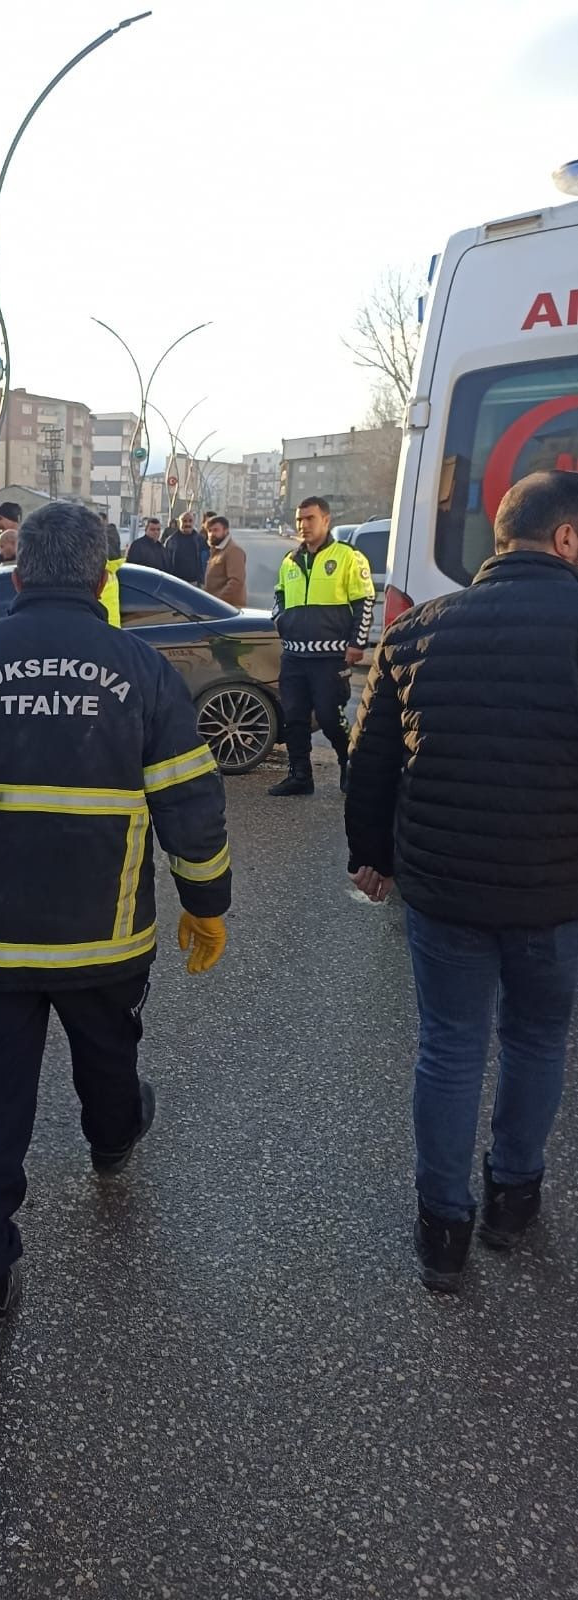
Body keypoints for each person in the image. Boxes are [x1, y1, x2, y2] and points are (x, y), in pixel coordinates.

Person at [0, 501, 231, 1355]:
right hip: (103, 935)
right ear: (104, 577)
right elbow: (191, 800)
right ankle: (111, 1141)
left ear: (20, 574)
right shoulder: (141, 669)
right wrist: (205, 904)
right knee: (108, 1056)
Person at [346, 470, 578, 1293]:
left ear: (497, 538)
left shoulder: (419, 631)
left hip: (441, 888)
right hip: (557, 893)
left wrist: (367, 855)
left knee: (448, 1050)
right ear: (564, 539)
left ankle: (441, 1228)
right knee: (535, 1040)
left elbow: (368, 759)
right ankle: (513, 1198)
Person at [268, 496, 374, 797]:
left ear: (326, 520)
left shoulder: (348, 557)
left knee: (329, 717)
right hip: (294, 655)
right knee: (294, 718)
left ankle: (347, 763)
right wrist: (281, 618)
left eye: (310, 518)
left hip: (330, 656)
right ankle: (300, 776)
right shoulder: (290, 560)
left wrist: (357, 643)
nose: (303, 525)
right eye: (299, 519)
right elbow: (279, 595)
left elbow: (364, 601)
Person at [203, 516, 247, 608]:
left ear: (226, 530)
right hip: (218, 607)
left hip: (228, 609)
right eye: (209, 531)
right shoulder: (216, 549)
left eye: (215, 530)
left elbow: (236, 581)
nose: (211, 534)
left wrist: (217, 602)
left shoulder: (233, 550)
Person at [165, 510, 206, 586]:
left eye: (190, 521)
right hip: (176, 582)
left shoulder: (200, 540)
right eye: (184, 521)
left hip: (195, 583)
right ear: (179, 523)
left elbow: (204, 562)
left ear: (193, 523)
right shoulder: (171, 541)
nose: (188, 524)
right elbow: (166, 563)